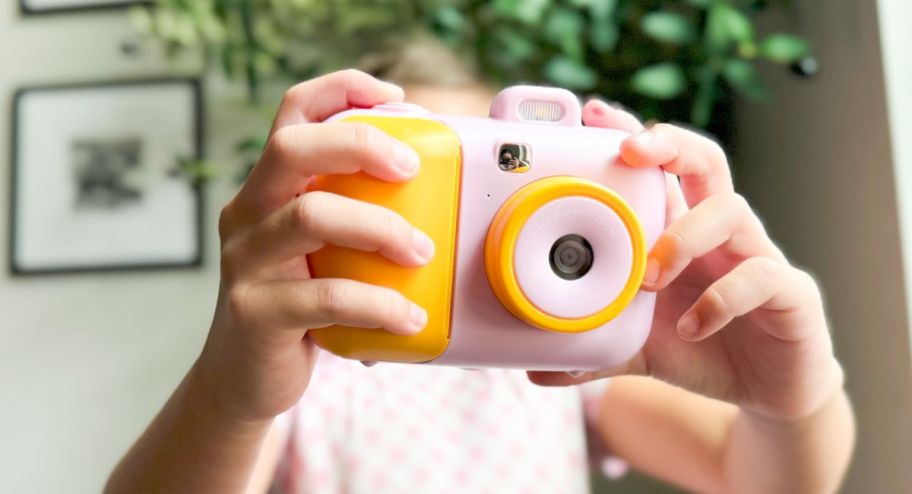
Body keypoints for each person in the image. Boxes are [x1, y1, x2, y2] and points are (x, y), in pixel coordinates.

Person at [105, 51, 855, 493]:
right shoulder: (315, 366)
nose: (492, 231)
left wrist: (793, 398)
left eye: (507, 183)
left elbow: (756, 477)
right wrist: (228, 401)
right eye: (437, 191)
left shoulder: (565, 358)